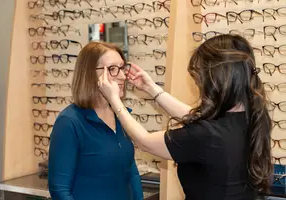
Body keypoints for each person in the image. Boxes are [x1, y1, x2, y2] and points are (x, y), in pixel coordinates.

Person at [98, 34, 273, 200]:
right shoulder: (253, 116)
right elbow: (198, 119)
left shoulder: (206, 134)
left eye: (199, 79)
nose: (199, 85)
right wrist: (152, 89)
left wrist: (115, 101)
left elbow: (145, 141)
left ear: (215, 79)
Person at [48, 41, 143, 200]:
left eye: (122, 68)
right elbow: (60, 189)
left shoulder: (122, 116)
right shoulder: (69, 122)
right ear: (90, 74)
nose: (122, 76)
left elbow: (131, 171)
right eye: (112, 69)